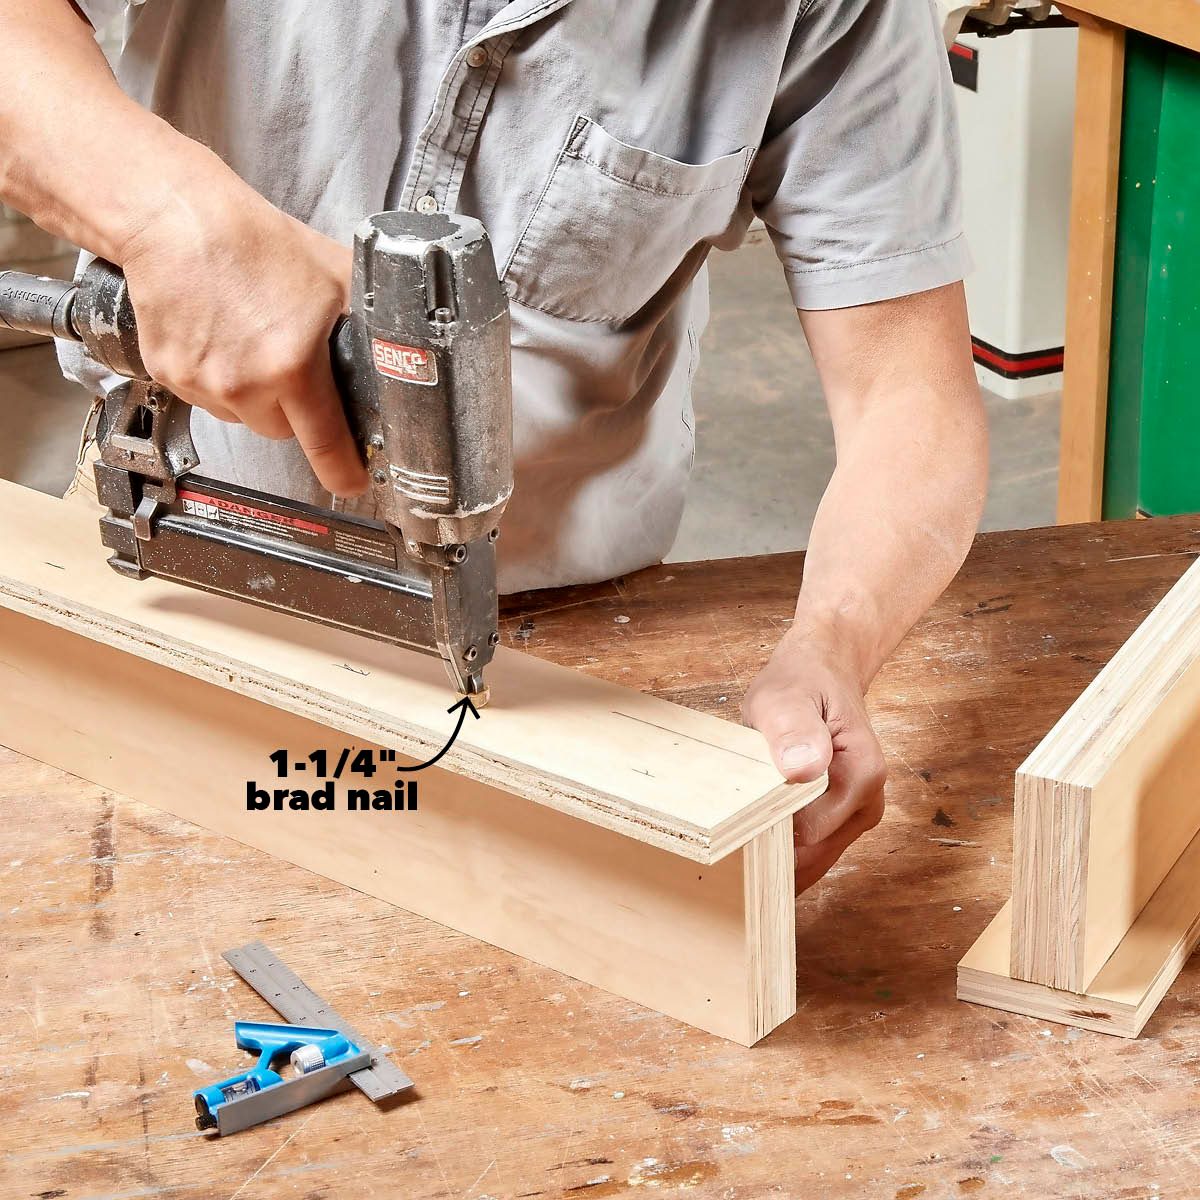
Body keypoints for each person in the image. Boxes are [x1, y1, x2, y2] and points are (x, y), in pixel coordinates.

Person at [0, 1, 988, 890]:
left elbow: (910, 395)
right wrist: (175, 219)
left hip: (566, 645)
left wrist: (833, 645)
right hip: (174, 559)